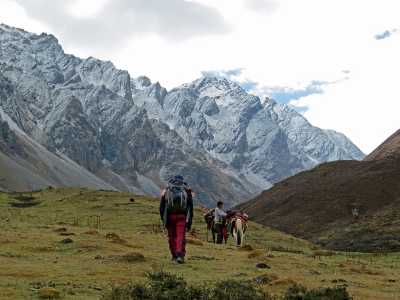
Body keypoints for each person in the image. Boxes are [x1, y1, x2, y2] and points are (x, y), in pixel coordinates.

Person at [160, 175, 193, 264]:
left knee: (171, 236)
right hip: (182, 217)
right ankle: (179, 254)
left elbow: (161, 206)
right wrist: (189, 221)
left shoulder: (167, 190)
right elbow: (190, 207)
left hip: (169, 217)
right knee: (180, 236)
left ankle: (174, 255)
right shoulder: (186, 190)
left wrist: (163, 219)